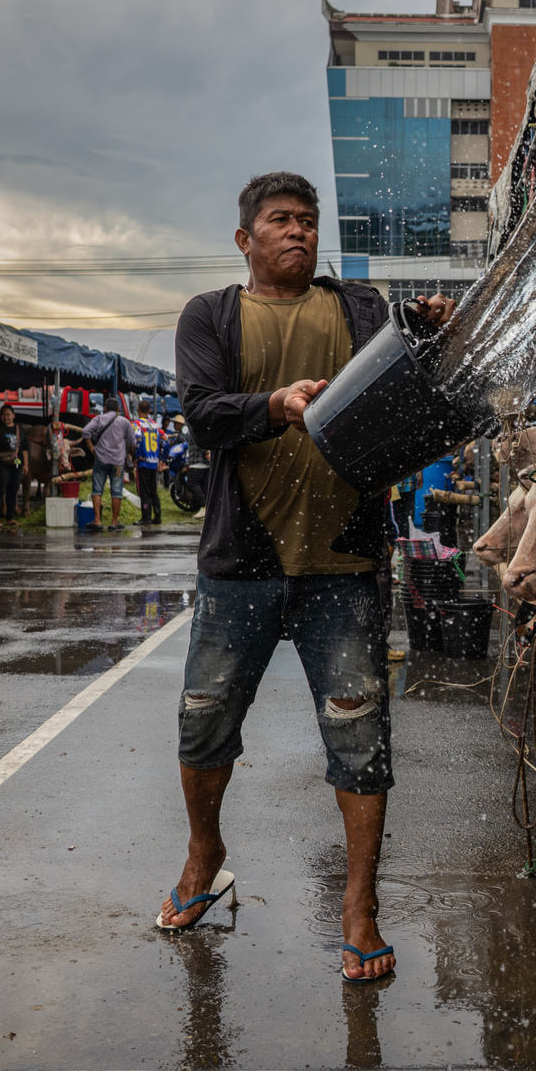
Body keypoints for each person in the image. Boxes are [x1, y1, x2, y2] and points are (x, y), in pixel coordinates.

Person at [162, 171, 454, 982]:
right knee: (204, 721)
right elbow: (201, 410)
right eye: (280, 220)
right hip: (239, 565)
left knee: (361, 739)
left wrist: (429, 327)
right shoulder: (212, 315)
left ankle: (359, 908)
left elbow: (415, 363)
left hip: (345, 562)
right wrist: (278, 405)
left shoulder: (359, 310)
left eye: (308, 221)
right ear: (245, 239)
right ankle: (203, 855)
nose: (297, 232)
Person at [81, 399, 133, 531]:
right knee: (116, 492)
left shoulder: (99, 419)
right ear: (118, 409)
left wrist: (92, 448)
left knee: (97, 490)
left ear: (104, 408)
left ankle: (97, 520)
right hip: (118, 463)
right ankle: (114, 522)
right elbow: (133, 442)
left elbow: (85, 431)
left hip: (101, 460)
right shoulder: (125, 422)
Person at [133, 413, 163, 524]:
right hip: (154, 462)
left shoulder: (137, 424)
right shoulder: (155, 425)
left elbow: (137, 436)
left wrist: (137, 454)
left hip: (143, 462)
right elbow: (165, 440)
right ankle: (157, 516)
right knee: (153, 490)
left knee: (144, 491)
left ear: (138, 409)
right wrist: (162, 458)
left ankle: (146, 517)